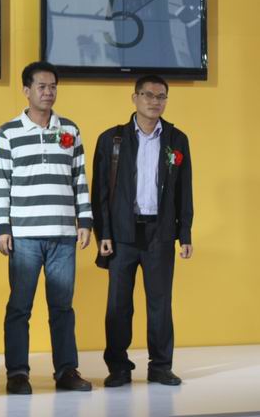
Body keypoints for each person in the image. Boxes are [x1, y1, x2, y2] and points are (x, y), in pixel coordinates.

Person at [0, 61, 93, 394]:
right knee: (19, 307)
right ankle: (17, 374)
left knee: (62, 308)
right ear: (26, 90)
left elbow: (79, 178)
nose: (48, 92)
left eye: (52, 87)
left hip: (63, 234)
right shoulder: (8, 132)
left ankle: (66, 371)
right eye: (41, 86)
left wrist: (85, 221)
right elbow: (1, 182)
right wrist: (1, 227)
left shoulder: (70, 129)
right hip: (24, 236)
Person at [91, 74, 194, 388]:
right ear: (134, 98)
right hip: (122, 234)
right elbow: (100, 192)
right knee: (118, 304)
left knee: (160, 303)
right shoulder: (112, 139)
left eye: (161, 96)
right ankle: (118, 367)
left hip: (159, 233)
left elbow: (184, 190)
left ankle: (161, 366)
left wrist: (185, 233)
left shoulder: (176, 139)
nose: (154, 101)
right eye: (148, 95)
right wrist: (103, 233)